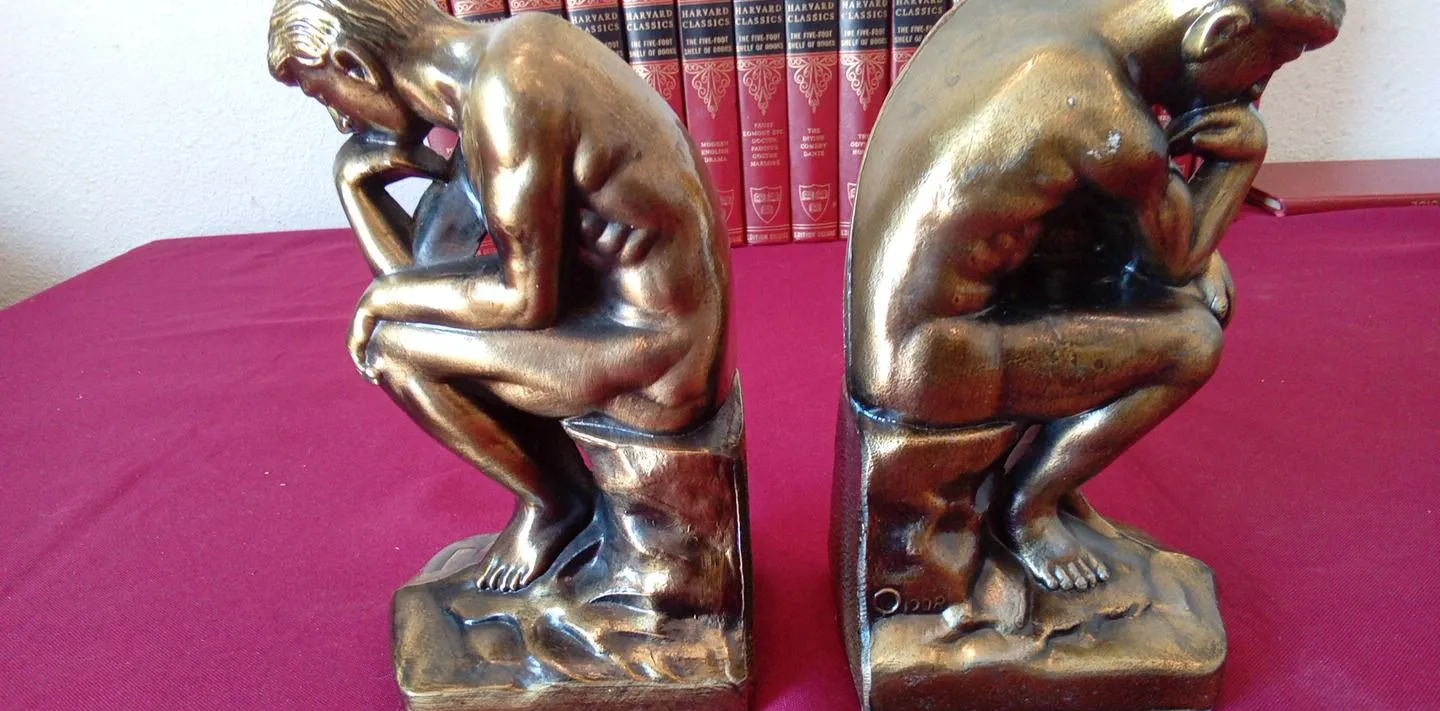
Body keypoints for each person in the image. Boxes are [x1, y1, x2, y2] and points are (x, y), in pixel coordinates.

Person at [846, 0, 1343, 591]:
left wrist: (1184, 242)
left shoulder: (1053, 28)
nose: (1256, 88)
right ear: (1219, 33)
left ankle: (1037, 489)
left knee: (1202, 288)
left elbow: (1121, 230)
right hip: (935, 359)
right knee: (1194, 341)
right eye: (1271, 62)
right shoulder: (1110, 119)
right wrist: (1239, 160)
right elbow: (1179, 260)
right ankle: (1028, 507)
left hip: (912, 325)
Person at [268, 0, 735, 591]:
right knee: (400, 329)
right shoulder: (492, 70)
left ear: (353, 65)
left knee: (391, 350)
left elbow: (522, 303)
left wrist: (382, 299)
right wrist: (355, 188)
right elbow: (429, 272)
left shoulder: (509, 94)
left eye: (325, 97)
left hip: (658, 353)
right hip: (611, 321)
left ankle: (556, 502)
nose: (342, 122)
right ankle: (561, 500)